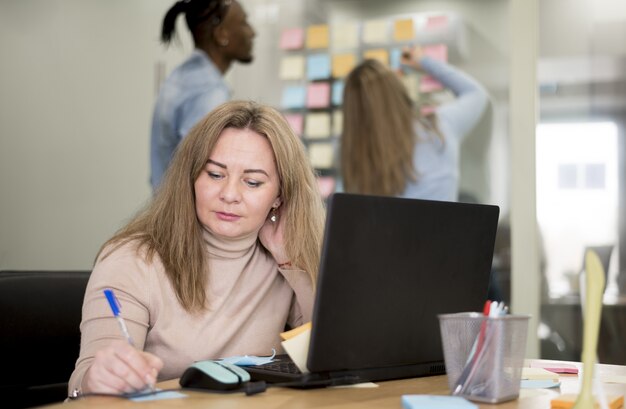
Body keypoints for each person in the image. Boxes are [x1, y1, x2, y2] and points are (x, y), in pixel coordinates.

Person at [69, 101, 325, 396]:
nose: (229, 194)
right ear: (191, 177)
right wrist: (97, 377)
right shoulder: (131, 259)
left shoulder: (285, 263)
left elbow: (330, 358)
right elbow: (84, 380)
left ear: (279, 196)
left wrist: (290, 259)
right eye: (215, 175)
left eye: (252, 182)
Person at [340, 47, 489, 201]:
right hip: (447, 225)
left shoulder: (357, 162)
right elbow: (476, 93)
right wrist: (424, 61)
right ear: (398, 91)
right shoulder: (438, 129)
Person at [150, 0, 256, 192]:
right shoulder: (208, 91)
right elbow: (203, 173)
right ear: (222, 34)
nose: (252, 33)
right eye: (244, 23)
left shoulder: (182, 77)